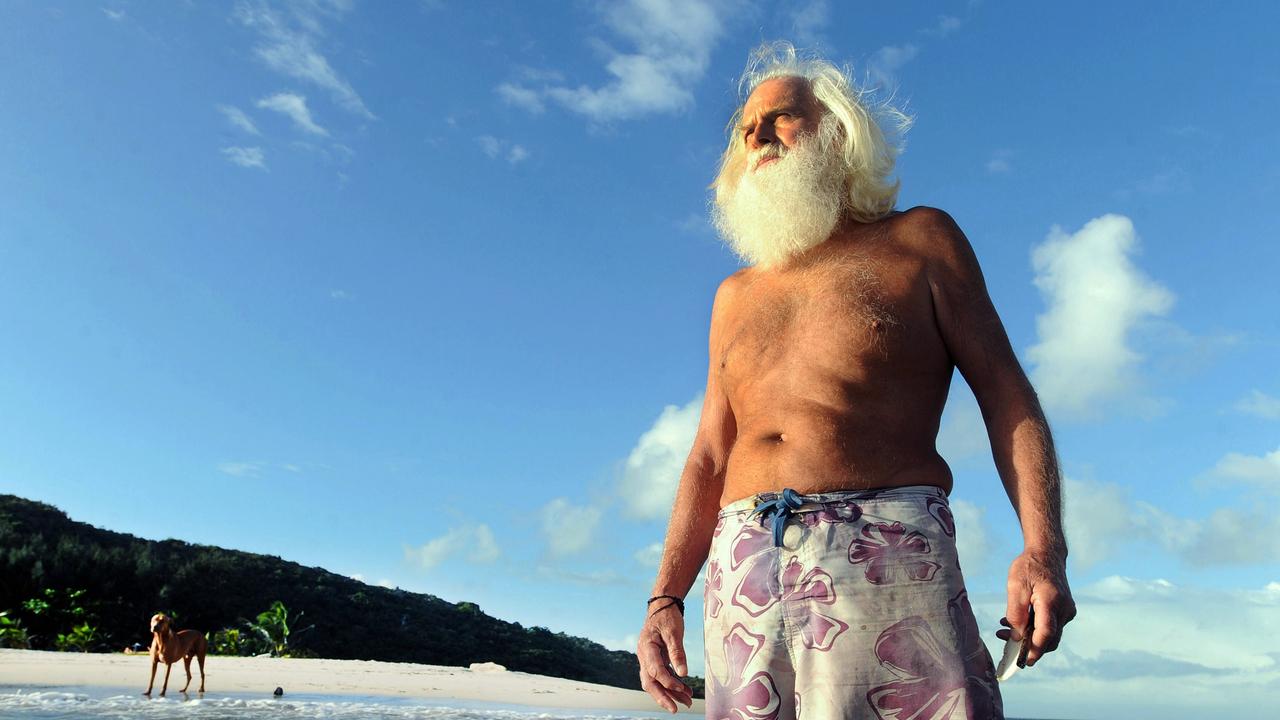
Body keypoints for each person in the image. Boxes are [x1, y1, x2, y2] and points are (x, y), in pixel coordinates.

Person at [636, 43, 1075, 719]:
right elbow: (708, 455)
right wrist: (665, 597)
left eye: (779, 118)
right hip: (743, 564)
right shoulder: (733, 295)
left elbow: (1007, 395)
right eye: (744, 129)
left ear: (837, 134)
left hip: (887, 549)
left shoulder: (920, 241)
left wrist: (1042, 551)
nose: (755, 135)